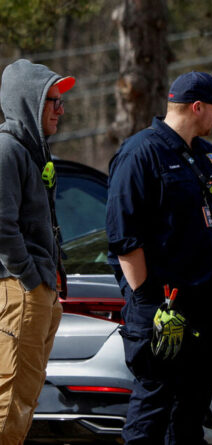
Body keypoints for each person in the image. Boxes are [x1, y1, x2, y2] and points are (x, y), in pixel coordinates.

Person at [105, 71, 212, 444]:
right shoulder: (141, 152)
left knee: (188, 420)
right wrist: (150, 304)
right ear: (197, 107)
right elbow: (124, 238)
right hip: (167, 313)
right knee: (152, 416)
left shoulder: (205, 153)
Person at [0, 59, 73, 445]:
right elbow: (2, 226)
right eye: (53, 101)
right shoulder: (6, 150)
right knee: (9, 401)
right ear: (28, 102)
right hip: (20, 291)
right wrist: (29, 278)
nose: (61, 110)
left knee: (25, 398)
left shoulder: (32, 152)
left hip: (38, 290)